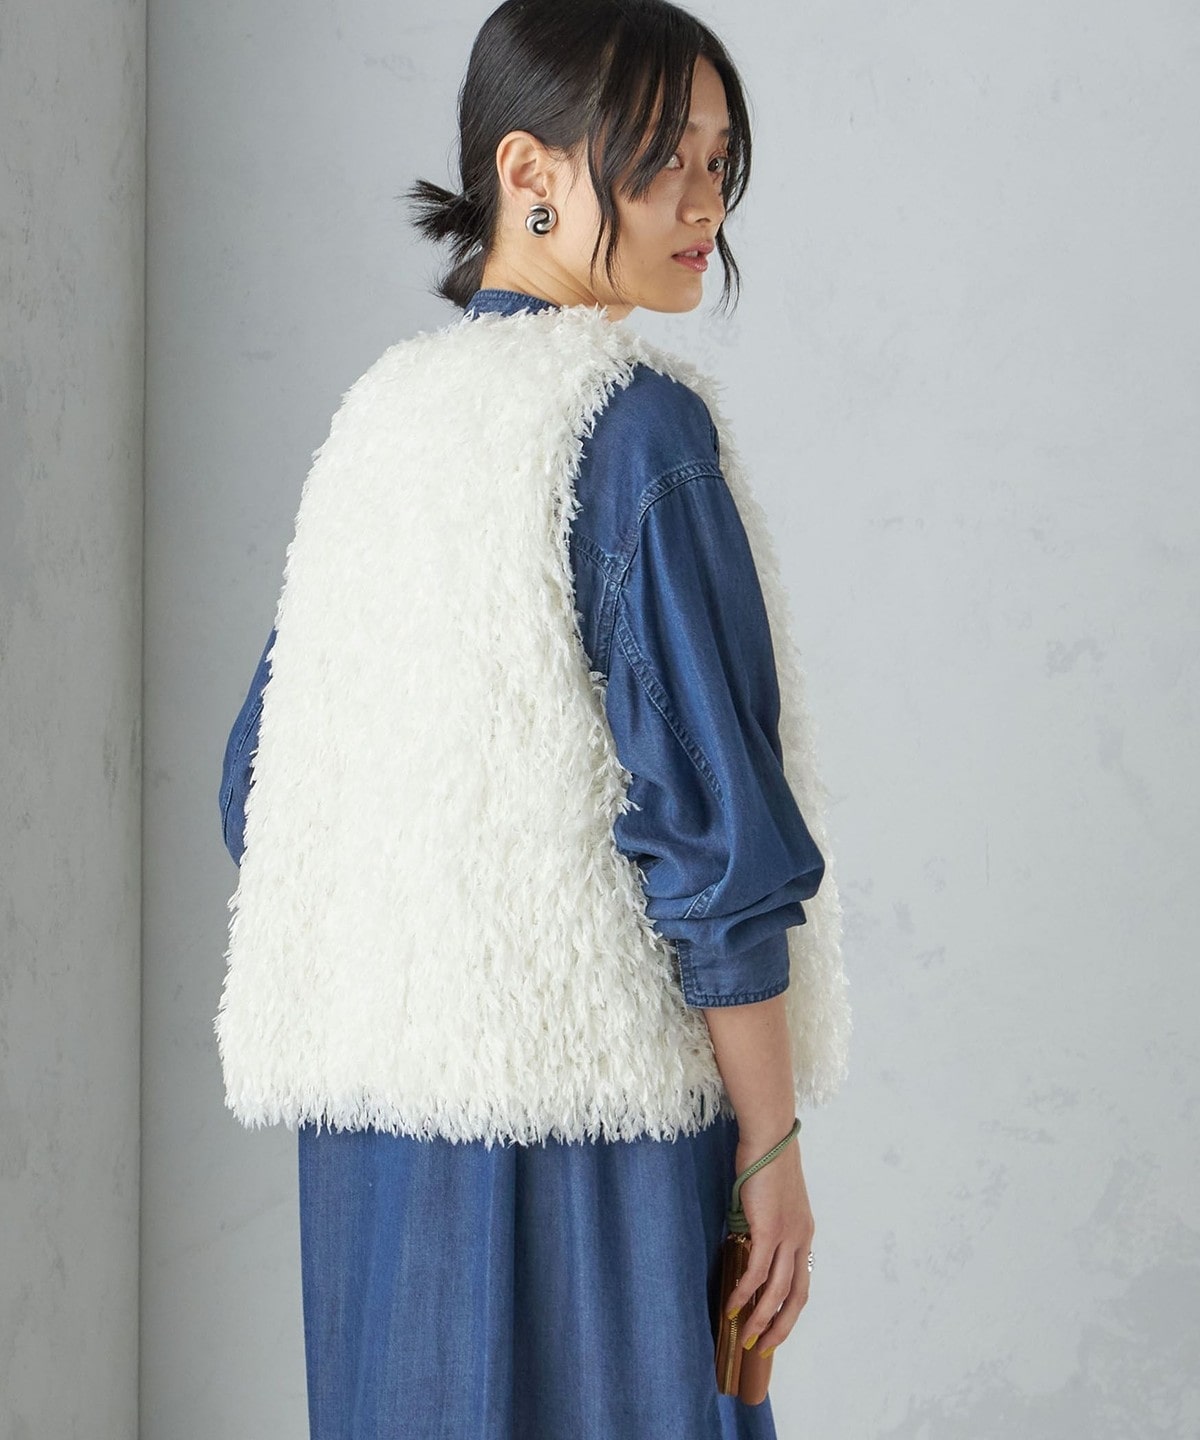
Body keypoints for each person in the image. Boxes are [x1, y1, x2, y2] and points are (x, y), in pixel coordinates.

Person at [215, 2, 850, 1436]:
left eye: (720, 162)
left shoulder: (380, 427)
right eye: (663, 160)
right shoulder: (633, 431)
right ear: (531, 171)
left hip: (380, 1146)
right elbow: (714, 840)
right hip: (593, 1140)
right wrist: (770, 1149)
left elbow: (261, 786)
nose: (704, 204)